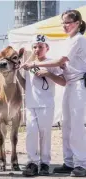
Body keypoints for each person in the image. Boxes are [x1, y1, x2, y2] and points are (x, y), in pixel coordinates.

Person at [21, 10, 86, 177]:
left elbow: (59, 61)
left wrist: (35, 64)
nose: (65, 25)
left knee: (77, 125)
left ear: (78, 22)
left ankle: (81, 163)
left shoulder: (78, 39)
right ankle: (69, 162)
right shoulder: (69, 40)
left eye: (68, 22)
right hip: (70, 84)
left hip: (79, 83)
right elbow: (63, 64)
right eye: (63, 22)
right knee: (67, 124)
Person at [20, 35, 66, 176]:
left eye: (40, 46)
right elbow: (25, 86)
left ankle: (45, 163)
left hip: (46, 104)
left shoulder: (51, 63)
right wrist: (17, 74)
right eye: (35, 47)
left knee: (45, 134)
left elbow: (63, 82)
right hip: (31, 104)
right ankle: (32, 162)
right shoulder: (28, 64)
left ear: (47, 48)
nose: (37, 49)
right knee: (31, 133)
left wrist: (48, 74)